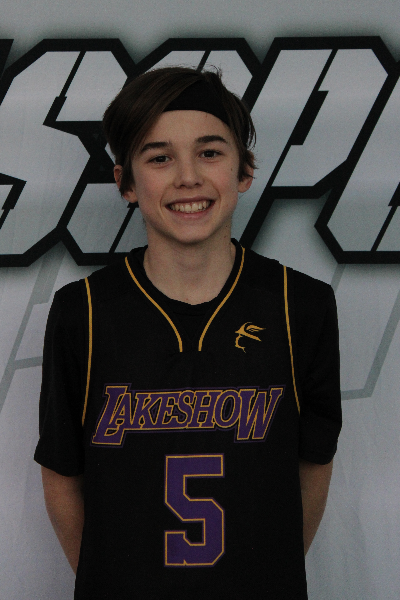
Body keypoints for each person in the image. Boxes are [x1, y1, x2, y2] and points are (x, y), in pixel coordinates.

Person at [34, 66, 342, 599]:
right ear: (127, 183)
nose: (188, 178)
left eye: (210, 152)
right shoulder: (82, 312)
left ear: (244, 170)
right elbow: (62, 476)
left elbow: (314, 464)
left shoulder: (302, 306)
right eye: (159, 158)